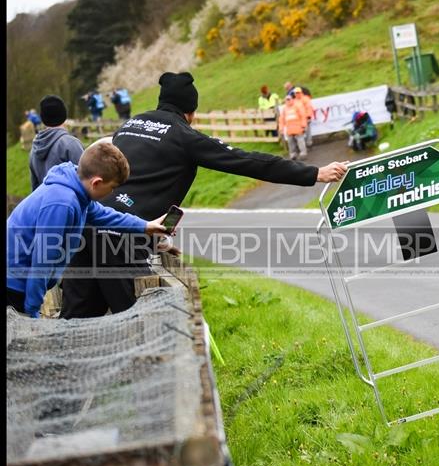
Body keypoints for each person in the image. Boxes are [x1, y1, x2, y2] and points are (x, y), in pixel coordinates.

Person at [59, 71, 347, 319]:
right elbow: (248, 161)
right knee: (135, 325)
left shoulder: (131, 125)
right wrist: (314, 174)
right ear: (190, 112)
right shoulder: (185, 136)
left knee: (77, 323)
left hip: (86, 228)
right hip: (121, 243)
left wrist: (154, 237)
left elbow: (138, 182)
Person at [6, 143, 168, 318]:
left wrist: (145, 226)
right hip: (13, 286)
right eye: (112, 187)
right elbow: (42, 262)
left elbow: (105, 216)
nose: (112, 193)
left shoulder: (76, 190)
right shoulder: (62, 203)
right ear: (96, 182)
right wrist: (32, 311)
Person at [29, 94, 85, 192]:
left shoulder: (34, 147)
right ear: (64, 115)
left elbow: (35, 188)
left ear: (43, 118)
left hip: (47, 205)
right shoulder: (71, 144)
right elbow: (86, 180)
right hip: (71, 205)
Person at [278, 91, 308, 160]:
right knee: (290, 142)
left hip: (298, 127)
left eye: (289, 99)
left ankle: (303, 153)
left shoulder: (297, 106)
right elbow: (281, 120)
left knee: (300, 141)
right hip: (289, 129)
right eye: (287, 100)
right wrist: (281, 128)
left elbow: (303, 116)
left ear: (292, 99)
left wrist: (303, 125)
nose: (288, 101)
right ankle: (293, 154)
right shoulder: (284, 109)